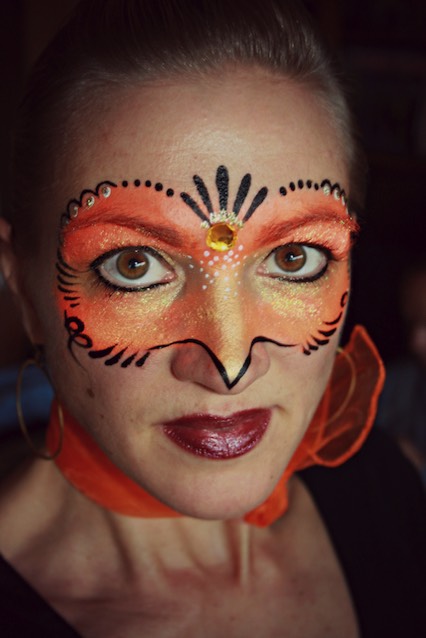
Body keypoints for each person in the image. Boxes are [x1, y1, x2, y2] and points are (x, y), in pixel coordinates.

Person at [0, 1, 425, 636]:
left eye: (293, 257)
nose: (229, 363)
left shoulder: (392, 490)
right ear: (24, 291)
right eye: (135, 265)